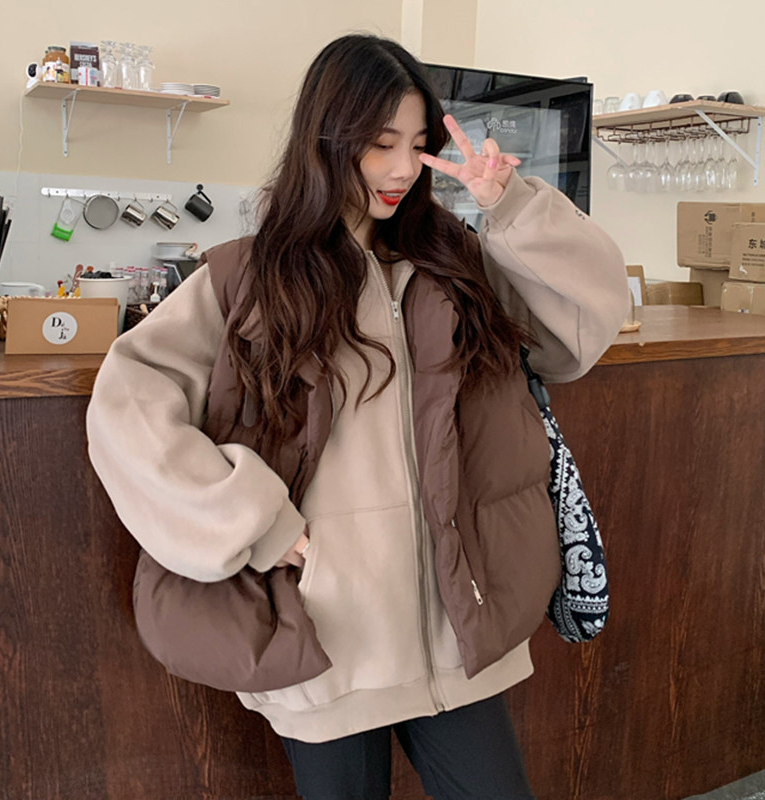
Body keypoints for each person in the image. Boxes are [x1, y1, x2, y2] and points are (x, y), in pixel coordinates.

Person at [86, 33, 627, 800]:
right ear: (328, 138)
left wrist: (510, 206)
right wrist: (250, 521)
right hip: (330, 638)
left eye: (417, 143)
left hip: (459, 637)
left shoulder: (456, 264)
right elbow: (127, 405)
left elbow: (578, 336)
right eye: (380, 143)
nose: (403, 168)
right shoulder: (251, 279)